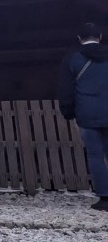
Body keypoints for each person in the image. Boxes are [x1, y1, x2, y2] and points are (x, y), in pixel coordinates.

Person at [58, 22, 108, 211]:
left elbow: (66, 89)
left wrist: (68, 112)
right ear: (100, 37)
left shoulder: (72, 58)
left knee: (95, 155)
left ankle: (105, 197)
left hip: (87, 113)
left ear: (79, 38)